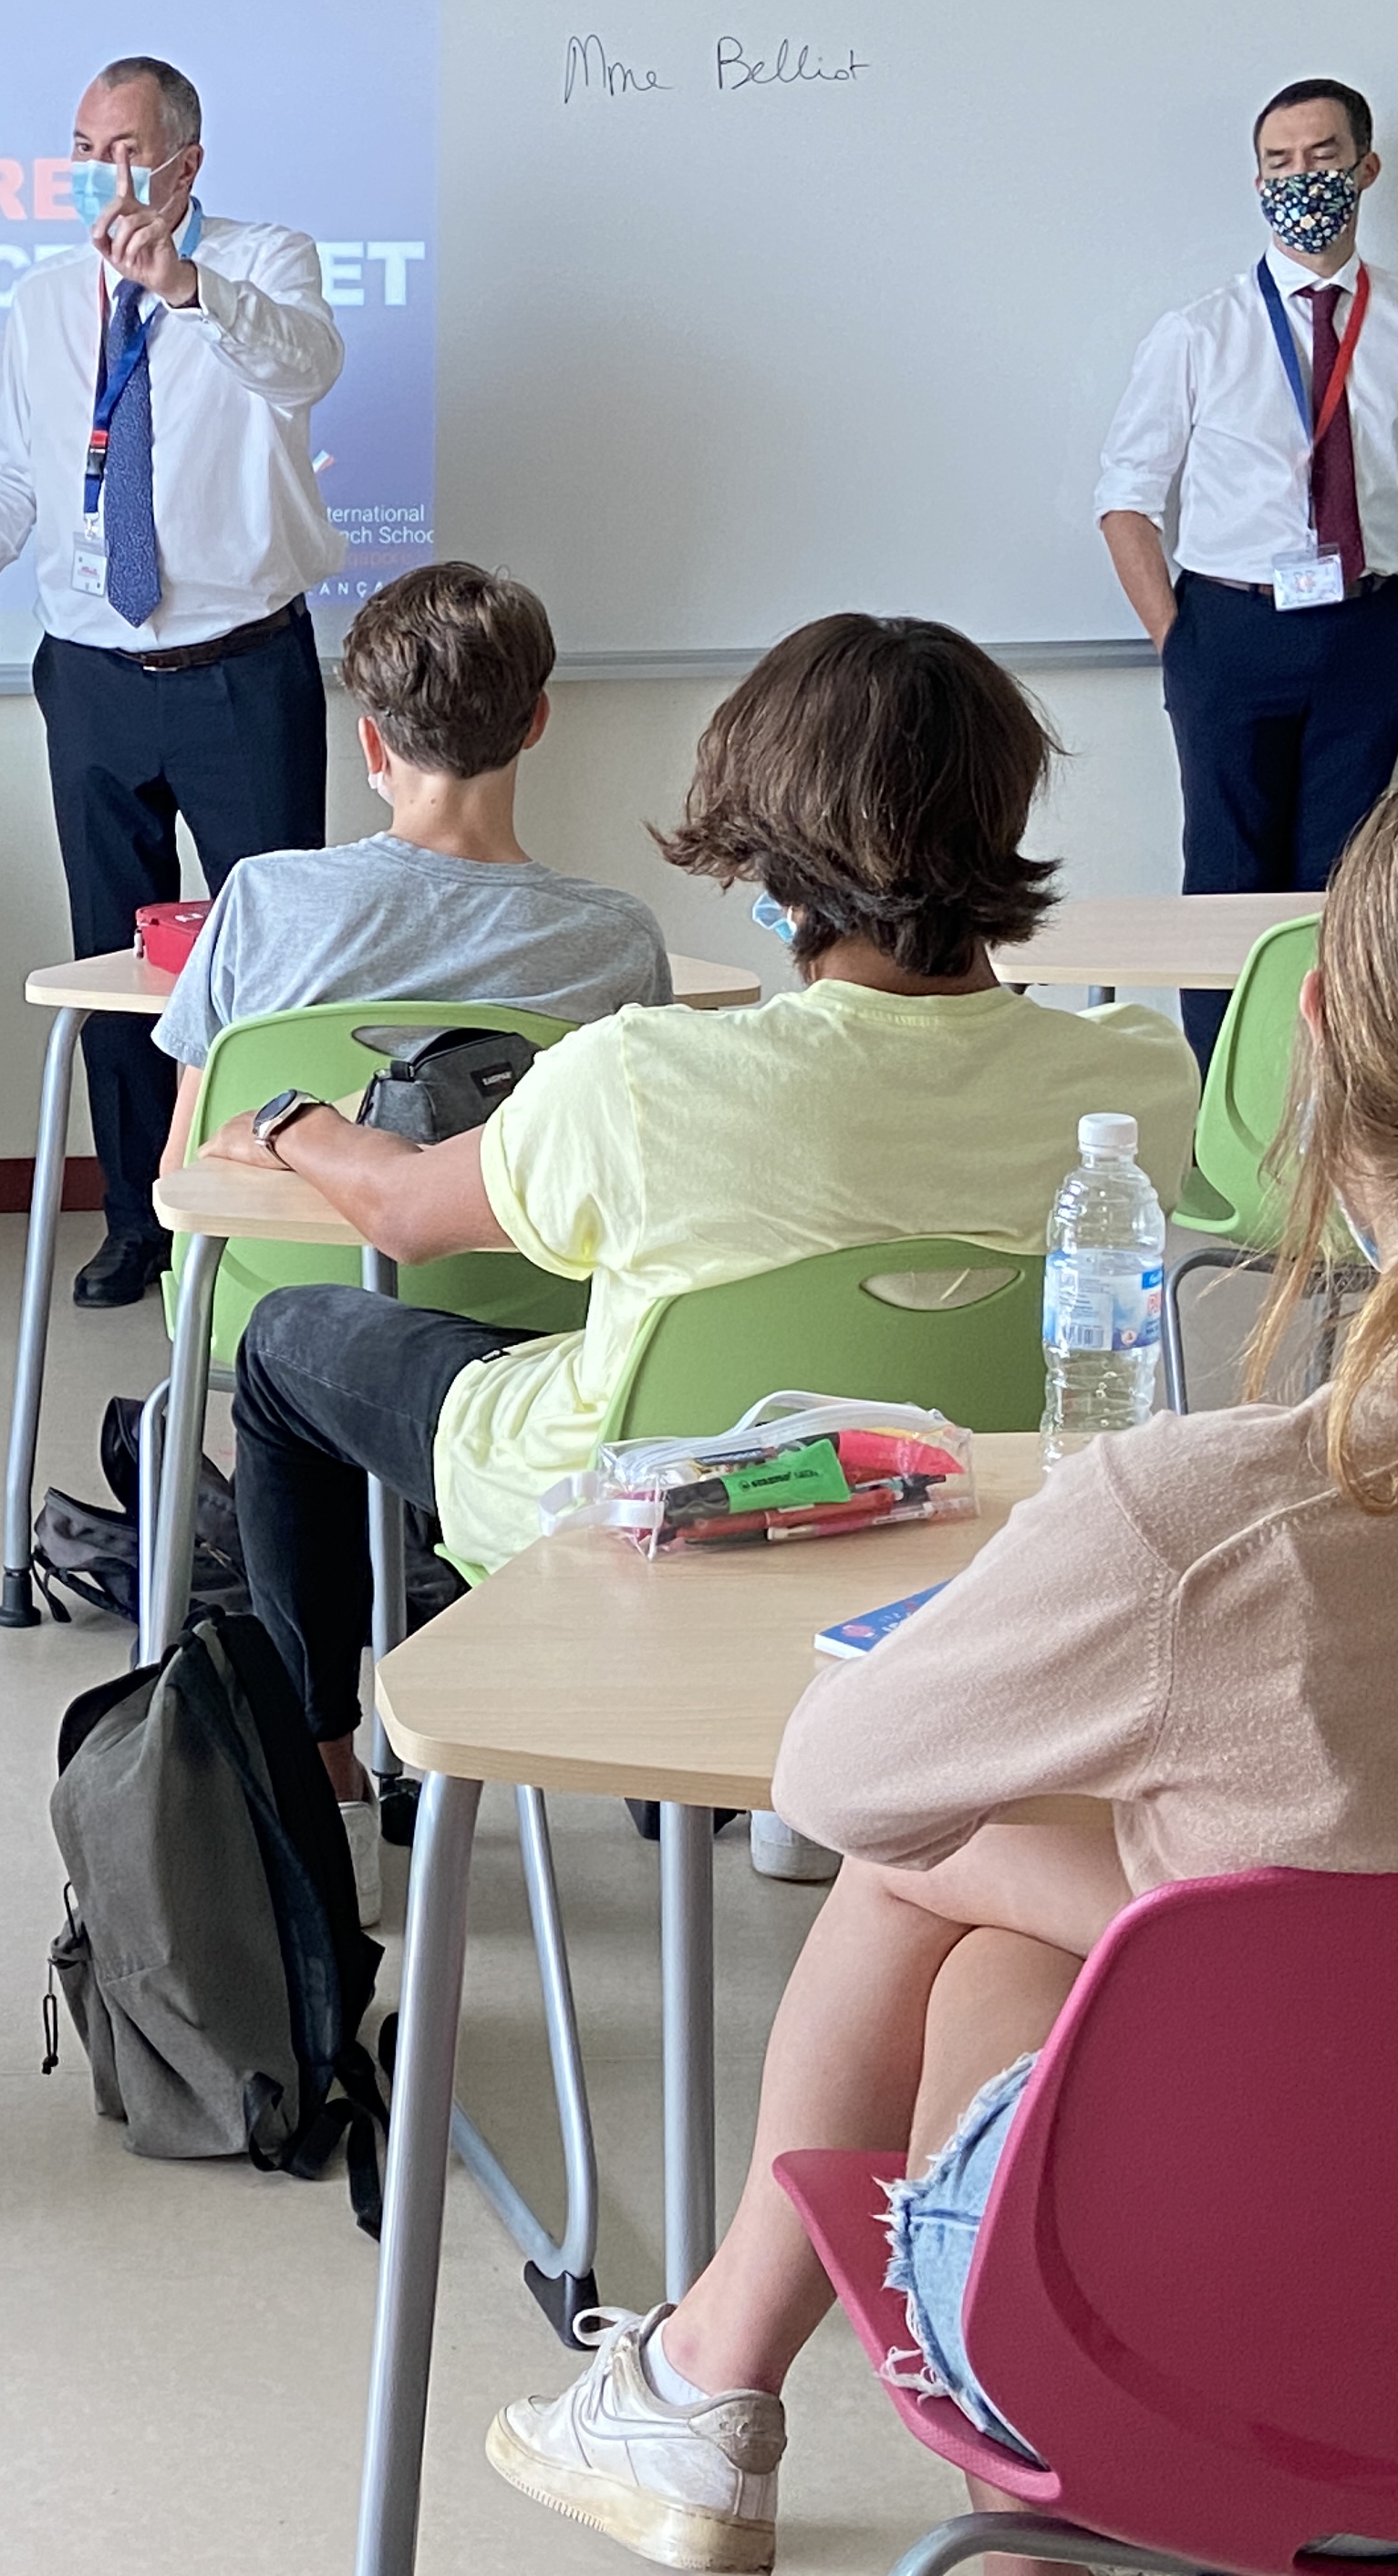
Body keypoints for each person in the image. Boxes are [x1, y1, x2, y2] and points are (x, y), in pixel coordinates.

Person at [484, 731, 1398, 2576]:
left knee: (960, 1891)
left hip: (1197, 2369)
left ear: (1323, 1068)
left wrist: (1129, 1873)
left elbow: (845, 1789)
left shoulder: (1198, 1526)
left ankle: (776, 2426)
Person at [203, 616, 1197, 1847]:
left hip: (636, 1513)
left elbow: (407, 1213)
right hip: (954, 1520)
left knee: (291, 1340)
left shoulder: (642, 1078)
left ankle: (323, 1789)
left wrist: (294, 1118)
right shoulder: (1142, 1082)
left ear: (769, 852)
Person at [0, 54, 347, 1308]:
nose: (99, 172)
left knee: (273, 961)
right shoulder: (49, 296)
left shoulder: (267, 264)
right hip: (95, 674)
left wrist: (186, 286)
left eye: (123, 147)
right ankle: (136, 1222)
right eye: (81, 146)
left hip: (242, 671)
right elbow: (19, 462)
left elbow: (303, 368)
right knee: (112, 964)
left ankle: (276, 1216)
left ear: (185, 162)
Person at [1094, 76, 1398, 1064]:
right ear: (1256, 179)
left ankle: (1328, 1107)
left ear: (1366, 168)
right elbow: (1127, 494)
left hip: (1368, 630)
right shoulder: (1199, 332)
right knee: (1225, 873)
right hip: (1228, 628)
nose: (1301, 178)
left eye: (1321, 156)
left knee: (1347, 881)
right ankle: (1225, 1114)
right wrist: (1177, 637)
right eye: (1279, 162)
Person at [151, 560, 675, 1157]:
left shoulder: (260, 900)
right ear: (536, 722)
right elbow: (638, 1167)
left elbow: (181, 1167)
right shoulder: (619, 941)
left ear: (372, 742)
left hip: (267, 1251)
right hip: (516, 1254)